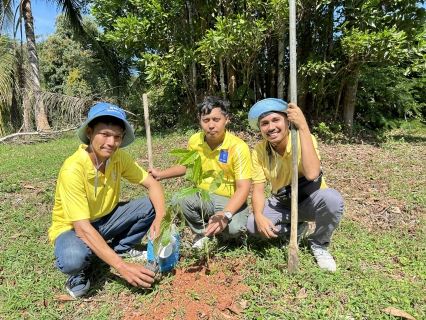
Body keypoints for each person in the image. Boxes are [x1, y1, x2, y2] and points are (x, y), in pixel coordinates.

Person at [48, 102, 167, 298]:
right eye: (105, 134)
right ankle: (78, 272)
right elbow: (82, 229)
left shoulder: (119, 158)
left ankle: (121, 248)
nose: (111, 142)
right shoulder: (73, 169)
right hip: (73, 228)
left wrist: (160, 218)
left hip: (106, 219)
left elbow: (153, 184)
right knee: (72, 259)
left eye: (117, 137)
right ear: (89, 132)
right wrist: (123, 268)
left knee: (151, 205)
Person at [246, 98, 344, 271]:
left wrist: (303, 127)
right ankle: (297, 227)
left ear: (287, 121)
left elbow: (313, 173)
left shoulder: (302, 138)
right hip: (282, 203)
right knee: (253, 224)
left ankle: (319, 243)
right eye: (264, 123)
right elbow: (259, 190)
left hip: (310, 201)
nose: (271, 127)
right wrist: (259, 215)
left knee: (332, 199)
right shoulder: (260, 151)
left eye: (276, 120)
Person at [148, 96, 252, 249]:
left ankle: (221, 225)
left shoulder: (238, 147)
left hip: (228, 199)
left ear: (226, 119)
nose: (211, 125)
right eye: (206, 120)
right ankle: (204, 233)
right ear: (200, 120)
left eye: (216, 119)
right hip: (203, 195)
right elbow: (186, 167)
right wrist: (160, 174)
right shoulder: (195, 140)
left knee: (234, 229)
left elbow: (244, 187)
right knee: (179, 199)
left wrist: (225, 215)